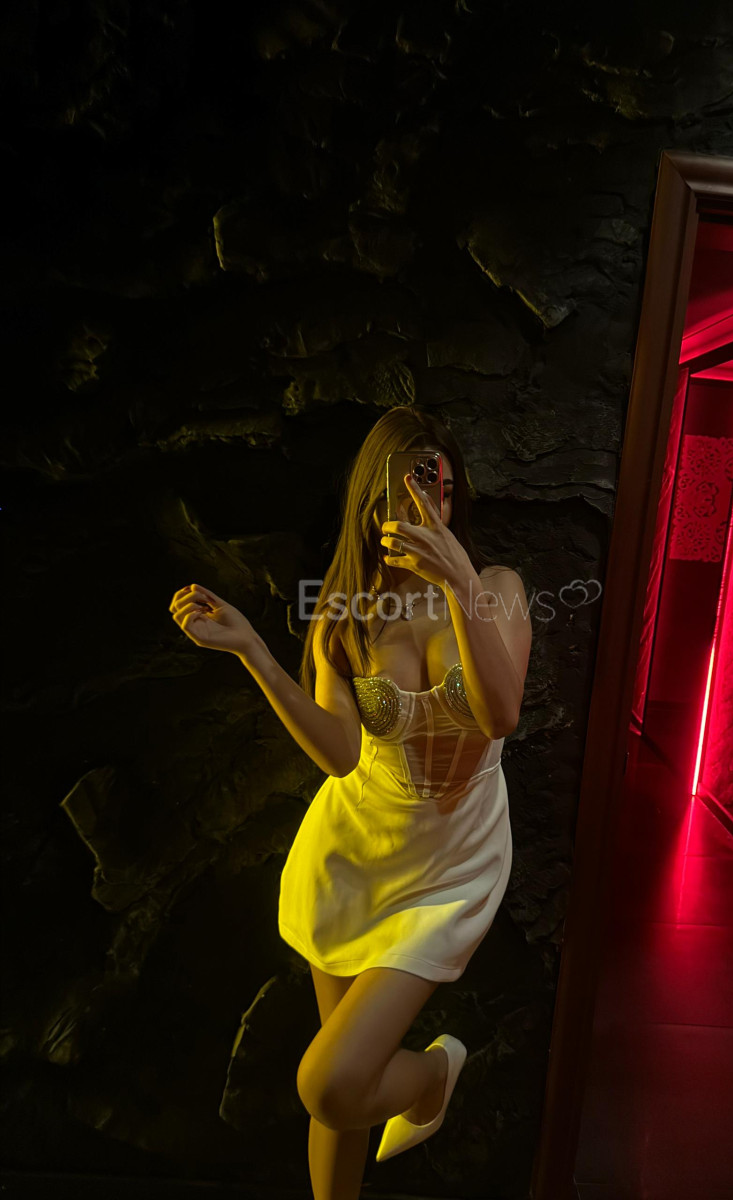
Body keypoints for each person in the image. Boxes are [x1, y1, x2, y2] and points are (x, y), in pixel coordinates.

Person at [168, 405, 532, 1200]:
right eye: (410, 486)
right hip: (355, 852)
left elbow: (499, 713)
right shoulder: (347, 612)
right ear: (375, 500)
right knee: (343, 1087)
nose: (428, 503)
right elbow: (339, 755)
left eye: (441, 485)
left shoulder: (497, 590)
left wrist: (458, 580)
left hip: (452, 865)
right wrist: (254, 651)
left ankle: (433, 1076)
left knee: (328, 1083)